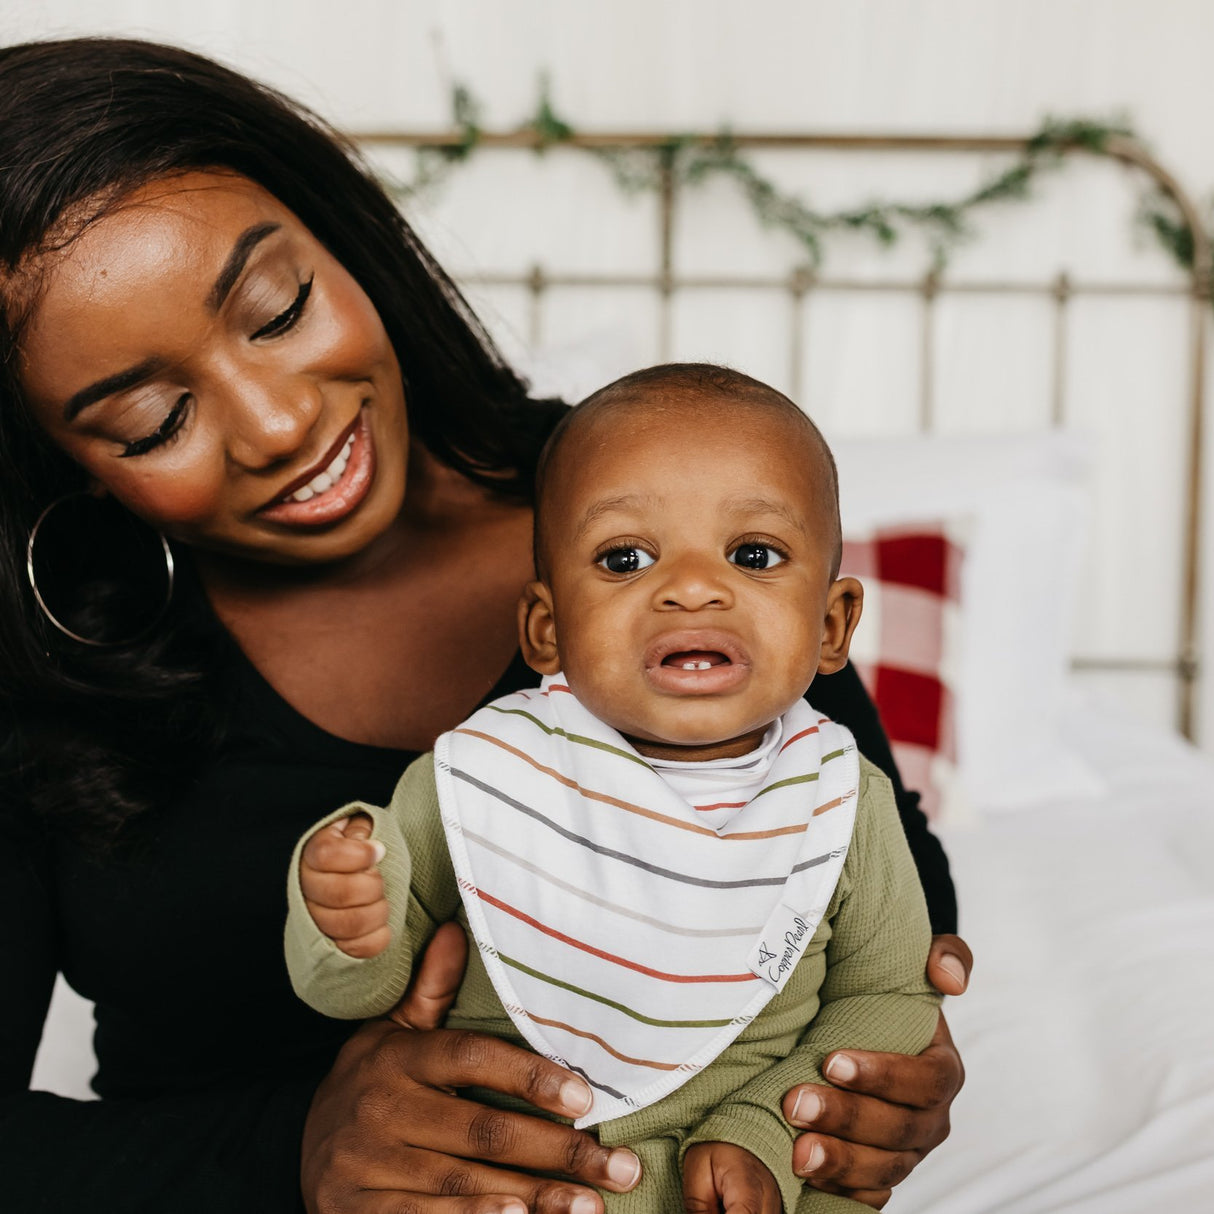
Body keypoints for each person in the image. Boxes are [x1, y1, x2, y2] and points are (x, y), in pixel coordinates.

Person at [0, 36, 969, 1214]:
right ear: (61, 462)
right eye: (153, 419)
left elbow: (866, 861)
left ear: (343, 245)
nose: (275, 421)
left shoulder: (649, 503)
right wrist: (292, 1147)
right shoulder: (38, 673)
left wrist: (869, 1069)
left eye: (278, 306)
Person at [288, 364, 942, 1213]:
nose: (693, 586)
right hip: (511, 1181)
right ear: (547, 629)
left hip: (745, 1182)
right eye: (625, 558)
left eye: (753, 554)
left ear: (831, 625)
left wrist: (763, 1134)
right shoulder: (490, 774)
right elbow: (364, 994)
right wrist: (347, 913)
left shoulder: (838, 802)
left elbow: (888, 997)